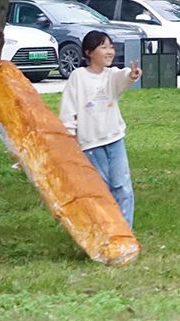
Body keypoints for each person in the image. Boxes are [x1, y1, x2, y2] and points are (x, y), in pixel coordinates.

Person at [58, 31, 142, 225]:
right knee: (102, 190)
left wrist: (132, 75)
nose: (109, 51)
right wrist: (68, 138)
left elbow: (122, 77)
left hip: (114, 139)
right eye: (103, 47)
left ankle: (125, 232)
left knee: (123, 187)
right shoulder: (78, 77)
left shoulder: (111, 75)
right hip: (91, 144)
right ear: (89, 52)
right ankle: (107, 230)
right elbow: (68, 111)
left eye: (111, 47)